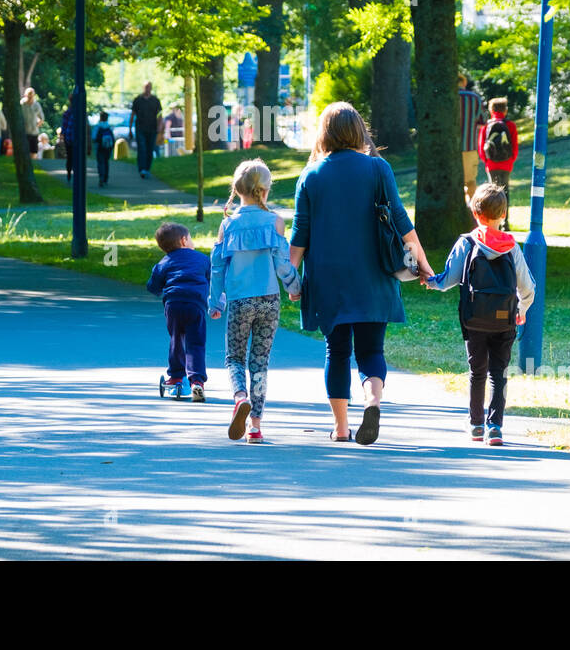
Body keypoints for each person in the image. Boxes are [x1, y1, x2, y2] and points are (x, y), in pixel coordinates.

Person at [289, 102, 435, 444]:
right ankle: (373, 401)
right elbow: (402, 224)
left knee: (336, 351)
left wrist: (290, 278)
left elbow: (300, 235)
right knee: (371, 351)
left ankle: (341, 428)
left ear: (324, 133)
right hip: (374, 276)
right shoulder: (378, 169)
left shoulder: (310, 175)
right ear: (359, 131)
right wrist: (424, 266)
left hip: (328, 280)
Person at [426, 183, 536, 446]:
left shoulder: (467, 242)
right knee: (498, 373)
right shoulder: (512, 247)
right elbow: (528, 287)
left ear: (475, 213)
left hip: (474, 319)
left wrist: (429, 280)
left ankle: (476, 424)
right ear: (503, 215)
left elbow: (448, 279)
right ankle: (495, 427)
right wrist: (520, 310)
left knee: (477, 372)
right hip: (504, 320)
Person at [209, 159, 301, 445]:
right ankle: (256, 427)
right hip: (269, 300)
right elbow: (282, 263)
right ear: (265, 191)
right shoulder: (275, 222)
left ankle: (239, 398)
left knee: (234, 358)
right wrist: (295, 287)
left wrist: (215, 301)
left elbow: (217, 267)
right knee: (259, 362)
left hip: (239, 301)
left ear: (237, 190)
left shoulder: (228, 225)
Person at [147, 222, 210, 402]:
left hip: (173, 305)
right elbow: (211, 279)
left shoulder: (164, 262)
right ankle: (197, 381)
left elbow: (153, 287)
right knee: (196, 343)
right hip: (195, 305)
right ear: (184, 240)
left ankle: (175, 377)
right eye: (190, 238)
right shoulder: (202, 259)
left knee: (176, 339)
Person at [479, 97, 519, 230]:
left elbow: (481, 148)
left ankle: (493, 222)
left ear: (491, 110)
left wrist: (487, 161)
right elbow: (514, 146)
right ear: (505, 110)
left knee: (492, 194)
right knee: (505, 192)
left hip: (491, 164)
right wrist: (511, 160)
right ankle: (505, 222)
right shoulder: (511, 125)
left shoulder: (487, 126)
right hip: (506, 164)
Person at [458, 72, 485, 205]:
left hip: (450, 150)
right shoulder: (474, 98)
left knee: (454, 182)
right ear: (464, 83)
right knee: (470, 181)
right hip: (469, 146)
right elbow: (482, 122)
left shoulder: (445, 98)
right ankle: (471, 208)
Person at [130, 82, 162, 178]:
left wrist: (159, 126)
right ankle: (142, 169)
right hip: (140, 128)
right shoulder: (138, 100)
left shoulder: (155, 100)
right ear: (143, 88)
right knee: (142, 148)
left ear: (151, 88)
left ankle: (147, 168)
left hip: (152, 129)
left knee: (150, 149)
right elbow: (132, 114)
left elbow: (160, 115)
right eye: (146, 87)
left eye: (149, 87)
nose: (147, 89)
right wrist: (130, 128)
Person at [93, 110, 115, 187]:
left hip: (100, 147)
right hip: (108, 148)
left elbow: (94, 137)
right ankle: (105, 178)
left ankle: (101, 177)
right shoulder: (109, 127)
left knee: (100, 162)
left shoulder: (98, 127)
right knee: (106, 162)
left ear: (100, 118)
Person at [20, 88, 45, 157]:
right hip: (24, 132)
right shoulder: (22, 104)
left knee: (33, 151)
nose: (30, 97)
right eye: (29, 96)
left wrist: (37, 125)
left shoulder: (36, 105)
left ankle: (32, 165)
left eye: (32, 96)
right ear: (25, 95)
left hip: (34, 132)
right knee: (24, 151)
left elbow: (42, 118)